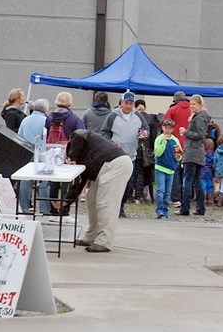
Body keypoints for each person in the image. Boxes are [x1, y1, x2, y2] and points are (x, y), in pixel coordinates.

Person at [67, 130, 134, 252]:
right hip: (105, 166)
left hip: (115, 164)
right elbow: (81, 180)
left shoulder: (77, 137)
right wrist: (66, 201)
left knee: (106, 203)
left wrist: (72, 157)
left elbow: (80, 134)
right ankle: (91, 235)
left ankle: (105, 241)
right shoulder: (84, 150)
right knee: (91, 198)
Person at [101, 90, 148, 218]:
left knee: (129, 183)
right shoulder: (113, 116)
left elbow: (145, 128)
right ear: (121, 103)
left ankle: (121, 206)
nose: (128, 106)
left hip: (131, 154)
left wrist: (144, 134)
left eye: (131, 103)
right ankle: (113, 207)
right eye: (126, 103)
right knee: (116, 183)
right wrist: (111, 143)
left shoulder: (138, 116)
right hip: (116, 155)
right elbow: (104, 132)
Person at [45, 91, 86, 223]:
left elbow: (44, 134)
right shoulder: (73, 118)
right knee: (66, 183)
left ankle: (52, 212)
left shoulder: (50, 117)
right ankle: (64, 211)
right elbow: (82, 134)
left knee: (53, 183)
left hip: (51, 152)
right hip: (66, 154)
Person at [17, 98, 51, 215]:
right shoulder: (46, 120)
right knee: (44, 181)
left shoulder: (25, 120)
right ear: (45, 109)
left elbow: (19, 136)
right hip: (41, 152)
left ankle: (24, 207)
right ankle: (44, 208)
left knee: (25, 179)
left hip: (26, 151)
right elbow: (47, 137)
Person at [178, 94, 211, 216]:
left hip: (193, 152)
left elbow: (201, 135)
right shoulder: (200, 117)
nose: (191, 106)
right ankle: (200, 208)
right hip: (198, 152)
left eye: (194, 104)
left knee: (188, 180)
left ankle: (185, 208)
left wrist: (186, 132)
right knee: (197, 180)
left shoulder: (199, 118)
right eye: (190, 104)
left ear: (200, 105)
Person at [164, 91, 191, 206]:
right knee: (188, 173)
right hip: (190, 144)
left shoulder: (172, 110)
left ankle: (175, 198)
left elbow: (165, 125)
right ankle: (188, 198)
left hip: (175, 144)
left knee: (175, 171)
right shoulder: (193, 109)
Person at [153, 118, 182, 219]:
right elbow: (157, 153)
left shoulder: (175, 140)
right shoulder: (159, 139)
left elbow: (179, 154)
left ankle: (165, 209)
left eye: (170, 128)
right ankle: (159, 209)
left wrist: (178, 156)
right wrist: (163, 143)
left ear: (173, 129)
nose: (167, 130)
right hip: (160, 167)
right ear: (162, 127)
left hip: (171, 169)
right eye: (166, 127)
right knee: (160, 190)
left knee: (167, 191)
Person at [201, 138, 216, 205]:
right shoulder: (213, 154)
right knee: (210, 185)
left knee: (203, 185)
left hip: (202, 171)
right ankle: (210, 199)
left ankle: (203, 199)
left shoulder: (202, 153)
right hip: (210, 171)